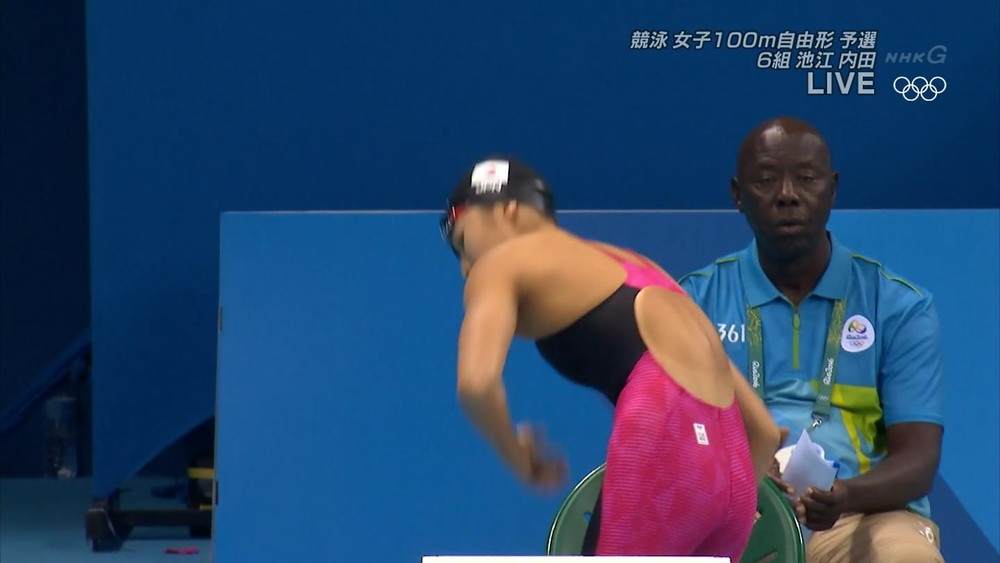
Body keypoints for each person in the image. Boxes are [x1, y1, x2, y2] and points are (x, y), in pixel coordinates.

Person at [439, 157, 780, 558]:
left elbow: (476, 384)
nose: (465, 268)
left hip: (665, 455)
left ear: (507, 211)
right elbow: (764, 431)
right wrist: (721, 490)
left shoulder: (502, 261)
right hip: (736, 479)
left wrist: (518, 457)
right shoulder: (642, 267)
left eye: (462, 241)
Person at [679, 117, 945, 563]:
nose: (787, 194)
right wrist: (736, 474)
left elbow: (919, 460)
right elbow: (671, 437)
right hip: (734, 516)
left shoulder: (897, 306)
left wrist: (844, 495)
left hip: (862, 517)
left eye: (806, 178)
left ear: (832, 189)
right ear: (738, 195)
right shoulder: (692, 304)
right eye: (766, 180)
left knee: (906, 556)